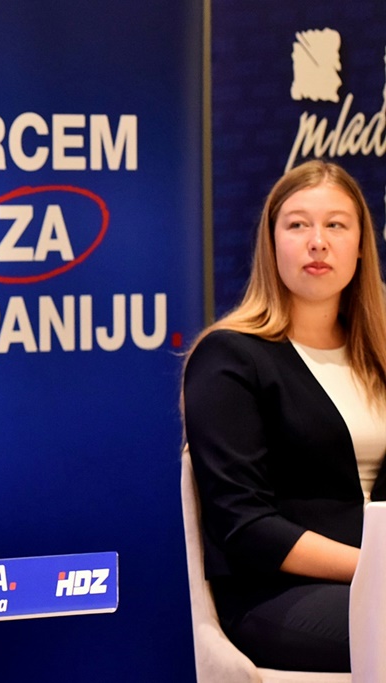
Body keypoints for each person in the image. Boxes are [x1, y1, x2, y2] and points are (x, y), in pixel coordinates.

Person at [182, 159, 386, 672]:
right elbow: (244, 524)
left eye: (336, 225)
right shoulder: (229, 357)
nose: (318, 242)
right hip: (275, 594)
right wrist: (372, 568)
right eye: (297, 225)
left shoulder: (379, 355)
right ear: (271, 244)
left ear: (361, 245)